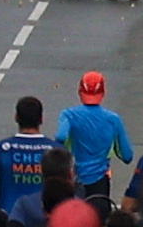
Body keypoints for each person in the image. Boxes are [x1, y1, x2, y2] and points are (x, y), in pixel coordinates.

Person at [55, 71, 133, 210]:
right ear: (103, 93)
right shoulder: (113, 120)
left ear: (80, 92)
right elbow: (127, 156)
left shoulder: (69, 115)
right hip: (100, 183)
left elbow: (60, 136)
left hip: (74, 180)